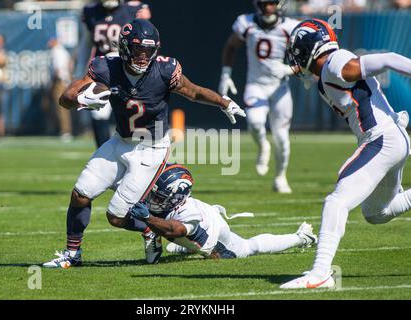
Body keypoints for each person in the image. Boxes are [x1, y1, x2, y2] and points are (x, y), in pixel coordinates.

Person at [42, 19, 246, 268]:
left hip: (151, 148)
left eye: (148, 50)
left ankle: (151, 230)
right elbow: (65, 98)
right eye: (138, 49)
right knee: (80, 194)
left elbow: (193, 91)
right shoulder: (107, 66)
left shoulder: (164, 70)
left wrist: (224, 102)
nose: (143, 56)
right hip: (120, 142)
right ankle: (72, 255)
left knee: (116, 217)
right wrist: (82, 100)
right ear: (126, 48)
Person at [280, 18, 411, 289]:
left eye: (298, 50)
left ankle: (320, 273)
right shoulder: (326, 72)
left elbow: (389, 58)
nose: (296, 57)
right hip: (391, 139)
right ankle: (321, 273)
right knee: (377, 213)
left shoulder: (335, 63)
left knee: (336, 202)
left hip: (381, 139)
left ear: (309, 47)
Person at [128, 164, 317, 260]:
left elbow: (175, 230)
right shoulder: (172, 200)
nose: (154, 200)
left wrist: (148, 218)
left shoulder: (187, 214)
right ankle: (185, 246)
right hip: (204, 212)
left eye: (159, 197)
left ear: (175, 198)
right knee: (166, 233)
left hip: (215, 235)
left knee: (249, 248)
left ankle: (302, 237)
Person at [219, 0, 300, 193]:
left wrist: (290, 69)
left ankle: (280, 177)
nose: (267, 7)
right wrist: (226, 74)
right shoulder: (247, 23)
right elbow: (231, 46)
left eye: (271, 2)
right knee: (255, 123)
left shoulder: (290, 27)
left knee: (282, 137)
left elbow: (307, 58)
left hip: (280, 88)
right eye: (264, 3)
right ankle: (263, 145)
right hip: (255, 85)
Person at [82, 0, 151, 148]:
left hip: (127, 66)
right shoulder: (90, 11)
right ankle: (103, 152)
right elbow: (89, 42)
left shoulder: (132, 9)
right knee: (97, 110)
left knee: (133, 109)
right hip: (103, 67)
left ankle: (145, 150)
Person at [47, 38, 73, 142]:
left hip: (59, 81)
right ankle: (63, 129)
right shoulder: (63, 51)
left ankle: (65, 131)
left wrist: (58, 79)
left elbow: (57, 68)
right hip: (64, 80)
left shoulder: (57, 51)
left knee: (61, 108)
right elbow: (70, 65)